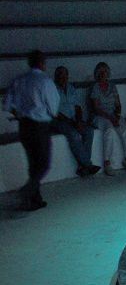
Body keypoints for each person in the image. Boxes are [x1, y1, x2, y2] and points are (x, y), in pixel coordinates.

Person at [3, 50, 60, 210]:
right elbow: (53, 107)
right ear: (42, 63)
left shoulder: (19, 80)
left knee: (33, 163)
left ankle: (35, 199)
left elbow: (6, 104)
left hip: (24, 125)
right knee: (43, 164)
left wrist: (19, 113)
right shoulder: (45, 81)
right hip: (40, 126)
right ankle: (27, 192)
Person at [52, 66, 100, 177]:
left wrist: (78, 121)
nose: (63, 78)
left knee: (89, 131)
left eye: (65, 75)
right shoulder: (51, 89)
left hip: (74, 119)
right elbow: (55, 112)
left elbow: (78, 107)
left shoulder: (71, 88)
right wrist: (73, 123)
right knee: (74, 134)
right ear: (56, 77)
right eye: (60, 75)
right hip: (59, 121)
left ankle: (82, 167)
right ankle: (88, 165)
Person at [89, 62, 126, 176]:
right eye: (100, 72)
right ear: (97, 74)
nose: (103, 74)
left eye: (105, 72)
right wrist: (111, 118)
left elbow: (118, 104)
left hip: (113, 115)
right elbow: (96, 108)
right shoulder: (95, 87)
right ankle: (107, 163)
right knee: (109, 130)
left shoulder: (112, 86)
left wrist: (117, 116)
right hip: (100, 116)